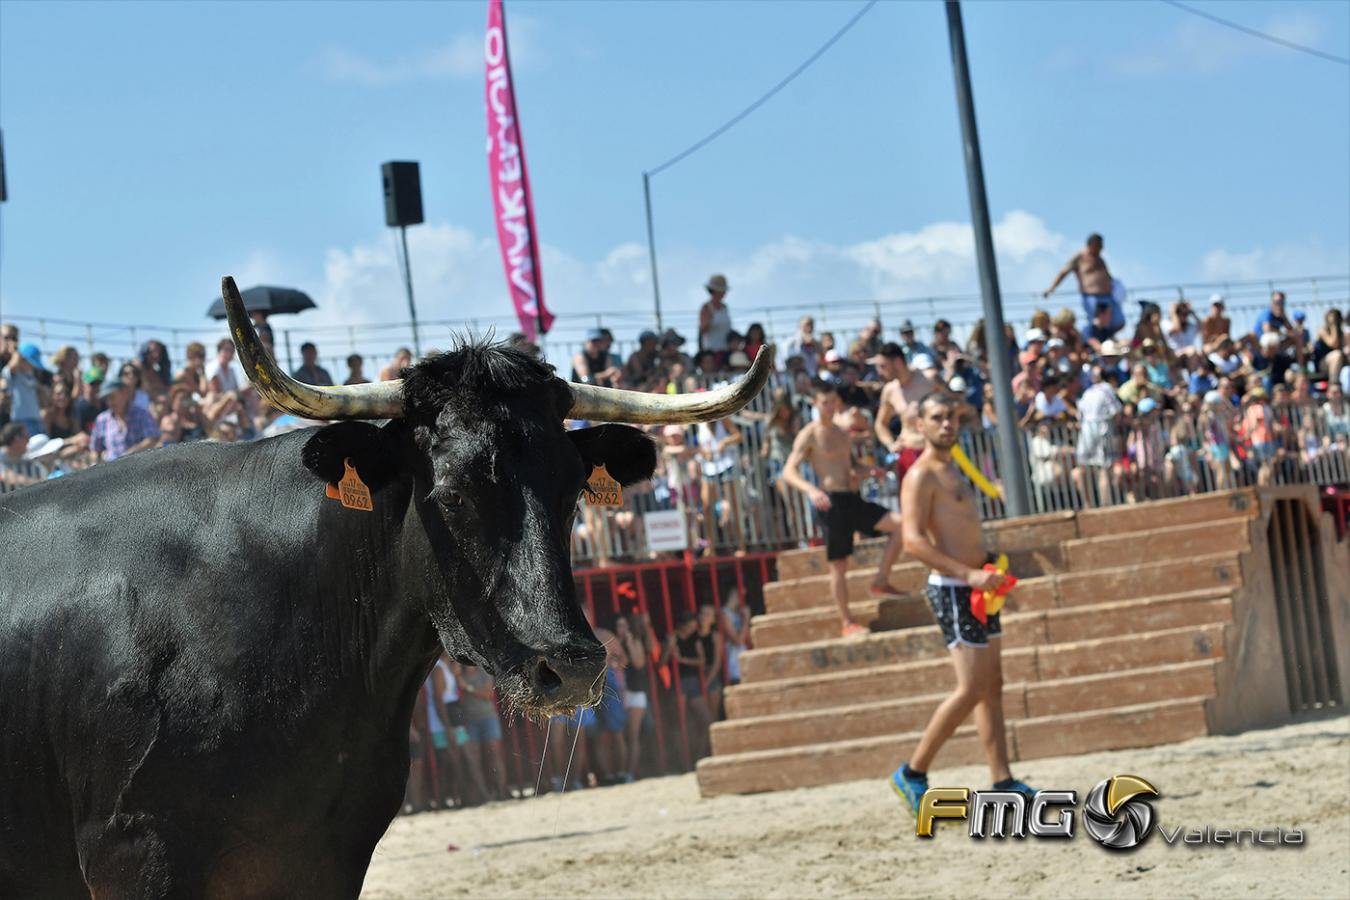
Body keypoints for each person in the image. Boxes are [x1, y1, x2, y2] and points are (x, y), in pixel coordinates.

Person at [889, 392, 1035, 813]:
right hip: (955, 589)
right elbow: (913, 541)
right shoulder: (920, 476)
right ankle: (912, 773)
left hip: (979, 588)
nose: (947, 425)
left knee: (992, 686)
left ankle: (1002, 780)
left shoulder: (954, 468)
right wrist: (967, 573)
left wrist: (984, 567)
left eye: (951, 417)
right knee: (972, 687)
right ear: (921, 424)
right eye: (937, 418)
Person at [780, 382, 905, 638]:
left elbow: (851, 467)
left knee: (900, 525)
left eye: (833, 401)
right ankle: (847, 622)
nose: (830, 407)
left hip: (853, 497)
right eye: (824, 402)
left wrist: (869, 471)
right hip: (830, 501)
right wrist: (811, 490)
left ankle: (881, 580)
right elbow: (788, 471)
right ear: (815, 403)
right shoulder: (810, 433)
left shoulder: (843, 432)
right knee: (838, 565)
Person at [873, 343, 936, 487]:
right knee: (912, 505)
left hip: (936, 452)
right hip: (909, 452)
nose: (879, 372)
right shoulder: (890, 390)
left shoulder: (929, 380)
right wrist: (891, 444)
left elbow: (956, 404)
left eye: (883, 366)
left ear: (898, 362)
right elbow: (880, 424)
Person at [1043, 233, 1123, 336]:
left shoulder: (1100, 259)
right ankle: (1094, 341)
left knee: (1118, 321)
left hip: (1108, 296)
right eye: (1098, 246)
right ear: (1092, 244)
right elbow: (1063, 272)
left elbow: (1108, 276)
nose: (1101, 249)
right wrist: (1051, 289)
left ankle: (1107, 338)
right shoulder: (1079, 257)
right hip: (1092, 297)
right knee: (1097, 323)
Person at [662, 610, 712, 762]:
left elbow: (702, 660)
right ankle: (684, 760)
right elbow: (661, 664)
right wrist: (669, 648)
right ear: (682, 625)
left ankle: (699, 755)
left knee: (706, 721)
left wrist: (683, 660)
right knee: (680, 723)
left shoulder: (694, 637)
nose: (692, 629)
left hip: (693, 682)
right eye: (689, 626)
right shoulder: (672, 638)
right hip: (678, 683)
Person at [616, 611, 656, 782]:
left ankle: (630, 773)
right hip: (620, 693)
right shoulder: (614, 644)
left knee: (632, 735)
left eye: (625, 625)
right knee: (621, 735)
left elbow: (639, 663)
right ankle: (627, 770)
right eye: (619, 626)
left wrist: (630, 643)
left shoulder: (635, 641)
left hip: (636, 692)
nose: (622, 629)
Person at [90, 377, 161, 462]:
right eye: (106, 399)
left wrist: (130, 454)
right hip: (110, 471)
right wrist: (95, 464)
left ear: (124, 393)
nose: (110, 402)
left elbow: (153, 438)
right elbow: (95, 449)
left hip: (139, 468)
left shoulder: (142, 414)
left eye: (112, 397)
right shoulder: (102, 420)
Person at [698, 274, 733, 367]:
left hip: (726, 352)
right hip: (712, 353)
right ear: (714, 291)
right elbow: (702, 330)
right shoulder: (706, 308)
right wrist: (709, 320)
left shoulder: (725, 307)